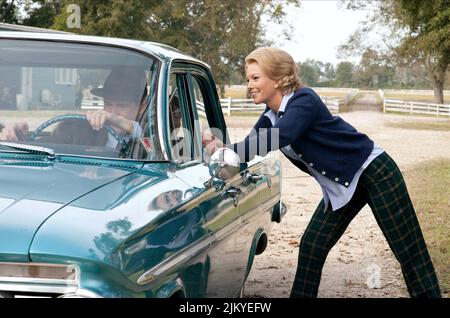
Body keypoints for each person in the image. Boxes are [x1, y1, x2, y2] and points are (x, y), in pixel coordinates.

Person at [202, 47, 441, 298]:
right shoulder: (270, 116)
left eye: (255, 78)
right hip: (345, 185)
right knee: (312, 246)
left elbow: (282, 135)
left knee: (408, 251)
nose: (249, 84)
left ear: (277, 77)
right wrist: (220, 151)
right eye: (247, 78)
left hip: (374, 173)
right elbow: (247, 150)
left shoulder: (304, 100)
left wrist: (234, 152)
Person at [0, 67, 147, 148]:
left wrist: (125, 124)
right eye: (108, 104)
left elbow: (155, 150)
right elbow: (51, 149)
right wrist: (20, 137)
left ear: (142, 107)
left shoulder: (153, 133)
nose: (112, 113)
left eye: (122, 105)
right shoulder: (80, 129)